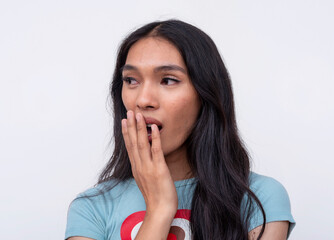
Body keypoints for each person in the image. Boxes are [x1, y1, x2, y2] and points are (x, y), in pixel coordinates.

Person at [65, 20, 295, 240]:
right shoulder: (91, 208)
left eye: (168, 80)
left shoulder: (260, 198)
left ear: (205, 94)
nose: (143, 100)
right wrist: (159, 209)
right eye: (131, 80)